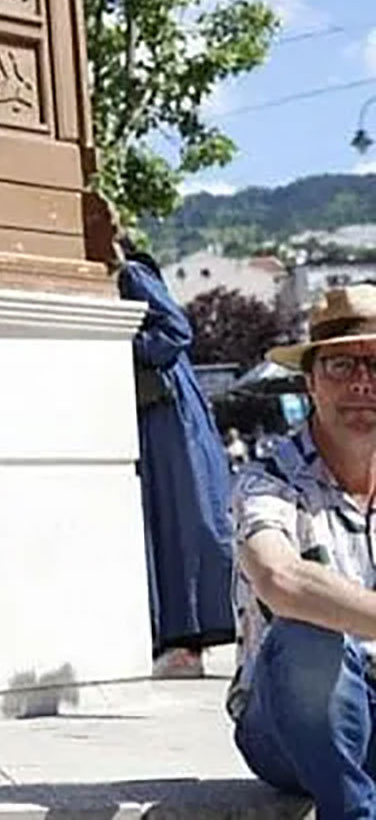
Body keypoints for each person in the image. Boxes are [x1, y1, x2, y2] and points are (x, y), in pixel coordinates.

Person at [229, 284, 376, 816]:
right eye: (340, 365)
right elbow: (281, 579)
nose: (362, 382)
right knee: (307, 636)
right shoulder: (266, 481)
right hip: (287, 722)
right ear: (310, 382)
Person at [115, 239, 235, 677]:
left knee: (185, 517)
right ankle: (182, 637)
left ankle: (188, 636)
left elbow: (175, 330)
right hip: (161, 412)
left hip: (168, 414)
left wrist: (115, 346)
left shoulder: (128, 273)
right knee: (173, 520)